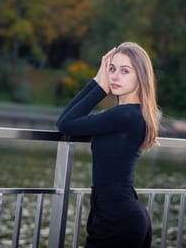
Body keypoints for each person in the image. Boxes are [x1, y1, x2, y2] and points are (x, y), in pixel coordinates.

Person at [56, 42, 159, 248]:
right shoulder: (133, 114)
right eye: (111, 69)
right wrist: (99, 81)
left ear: (141, 76)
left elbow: (65, 123)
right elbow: (69, 121)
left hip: (117, 220)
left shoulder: (125, 115)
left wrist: (98, 85)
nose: (114, 76)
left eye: (124, 71)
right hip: (120, 215)